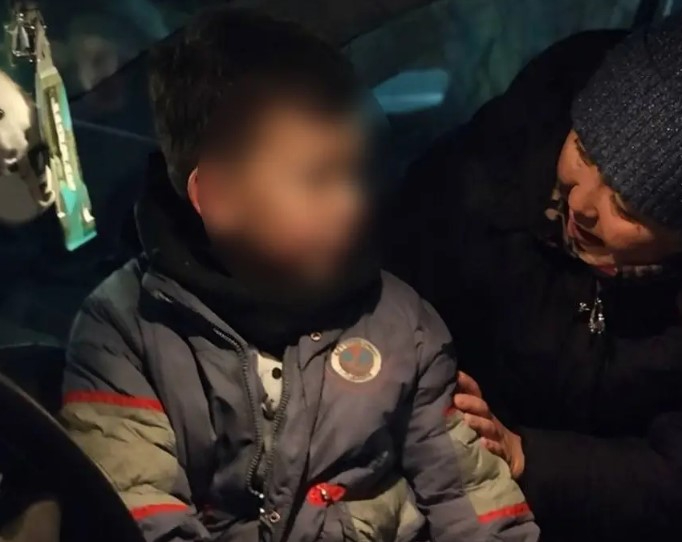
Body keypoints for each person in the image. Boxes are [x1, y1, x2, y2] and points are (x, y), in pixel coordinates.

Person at [58, 8, 538, 542]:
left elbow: (472, 501)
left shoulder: (404, 329)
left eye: (354, 174)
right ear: (217, 196)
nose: (352, 203)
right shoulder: (126, 333)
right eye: (318, 178)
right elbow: (137, 513)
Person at [385, 0, 682, 540]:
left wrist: (528, 457)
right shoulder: (496, 159)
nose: (580, 203)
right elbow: (391, 279)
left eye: (627, 205)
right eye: (585, 149)